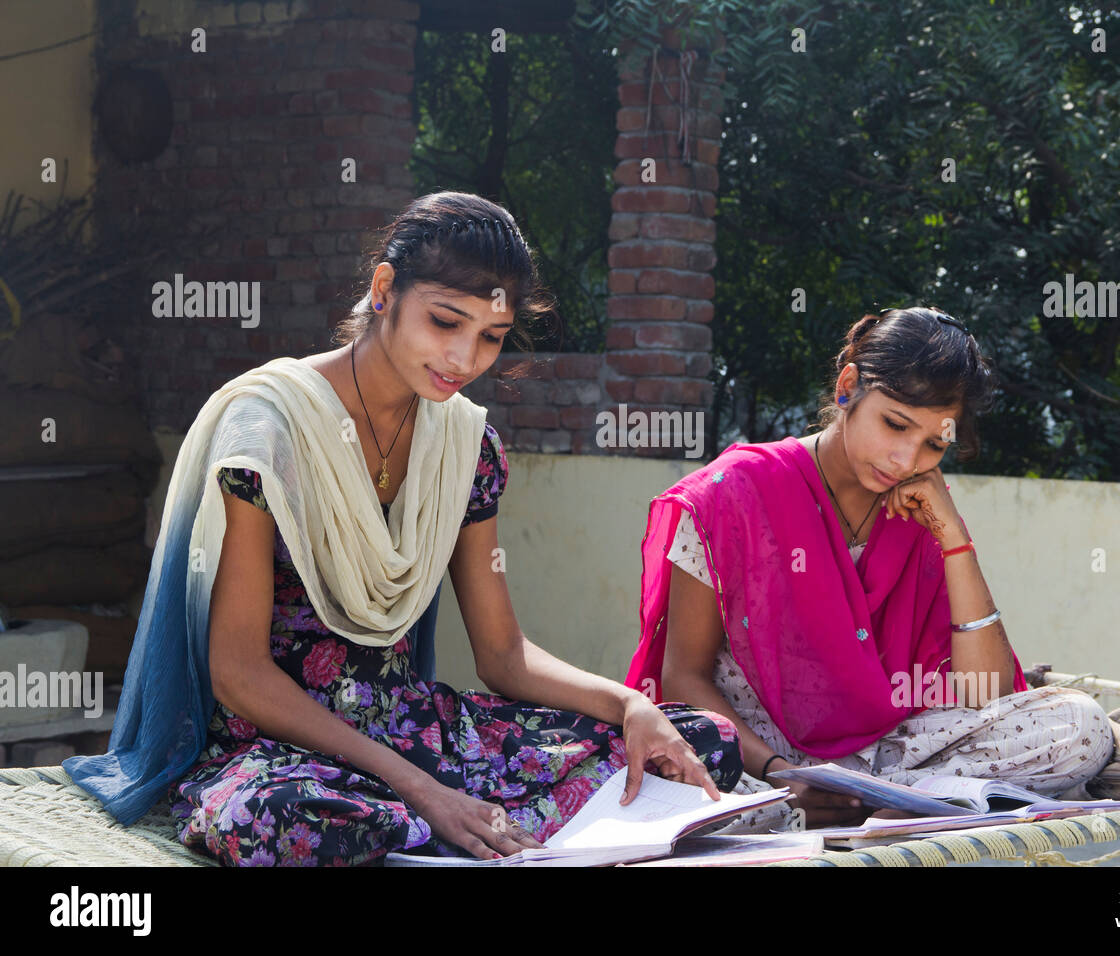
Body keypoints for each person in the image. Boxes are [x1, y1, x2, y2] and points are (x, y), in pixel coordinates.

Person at [64, 191, 742, 865]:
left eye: (491, 338)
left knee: (694, 742)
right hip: (277, 747)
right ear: (384, 288)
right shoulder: (269, 430)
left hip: (410, 723)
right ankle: (437, 825)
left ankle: (430, 832)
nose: (464, 358)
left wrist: (629, 705)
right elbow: (238, 672)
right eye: (446, 322)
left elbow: (503, 654)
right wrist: (421, 790)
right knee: (284, 822)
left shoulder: (464, 446)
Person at [626, 307, 1114, 830]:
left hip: (886, 750)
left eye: (934, 444)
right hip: (757, 754)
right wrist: (780, 774)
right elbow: (683, 677)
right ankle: (892, 806)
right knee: (694, 793)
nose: (906, 460)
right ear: (847, 386)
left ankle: (872, 804)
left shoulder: (920, 507)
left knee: (1082, 728)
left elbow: (985, 695)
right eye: (895, 424)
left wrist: (954, 539)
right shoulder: (732, 493)